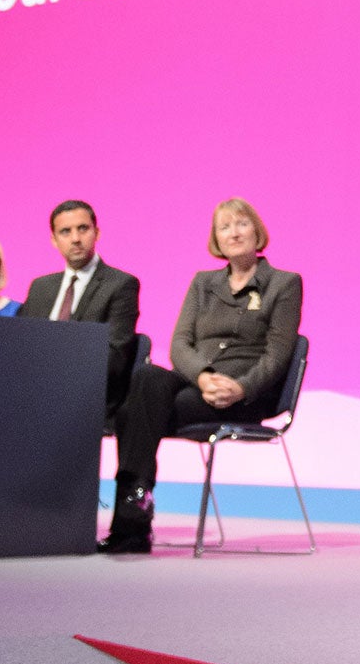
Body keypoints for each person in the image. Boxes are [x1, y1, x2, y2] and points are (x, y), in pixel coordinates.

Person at [102, 198, 301, 555]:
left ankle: (132, 518)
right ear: (216, 240)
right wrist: (204, 376)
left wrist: (240, 388)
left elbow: (278, 354)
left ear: (257, 231)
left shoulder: (284, 284)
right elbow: (180, 343)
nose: (234, 233)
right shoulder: (203, 282)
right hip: (198, 381)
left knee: (131, 414)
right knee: (147, 378)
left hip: (246, 392)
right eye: (224, 227)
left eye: (241, 224)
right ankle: (136, 504)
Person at [20, 199, 139, 400]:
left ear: (97, 233)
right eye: (65, 231)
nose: (76, 238)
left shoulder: (120, 284)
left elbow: (114, 359)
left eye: (83, 228)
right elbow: (22, 346)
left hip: (85, 397)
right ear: (54, 240)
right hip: (32, 393)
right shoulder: (40, 287)